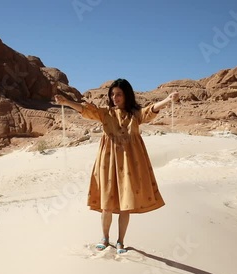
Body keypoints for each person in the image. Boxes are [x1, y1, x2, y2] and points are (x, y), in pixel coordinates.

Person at [54, 78, 179, 254]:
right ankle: (105, 238)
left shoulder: (135, 115)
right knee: (107, 203)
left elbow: (150, 110)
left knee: (125, 203)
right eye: (112, 94)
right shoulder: (106, 114)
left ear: (126, 95)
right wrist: (66, 102)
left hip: (130, 162)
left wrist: (168, 100)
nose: (115, 97)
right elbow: (86, 111)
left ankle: (120, 241)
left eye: (118, 94)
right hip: (108, 162)